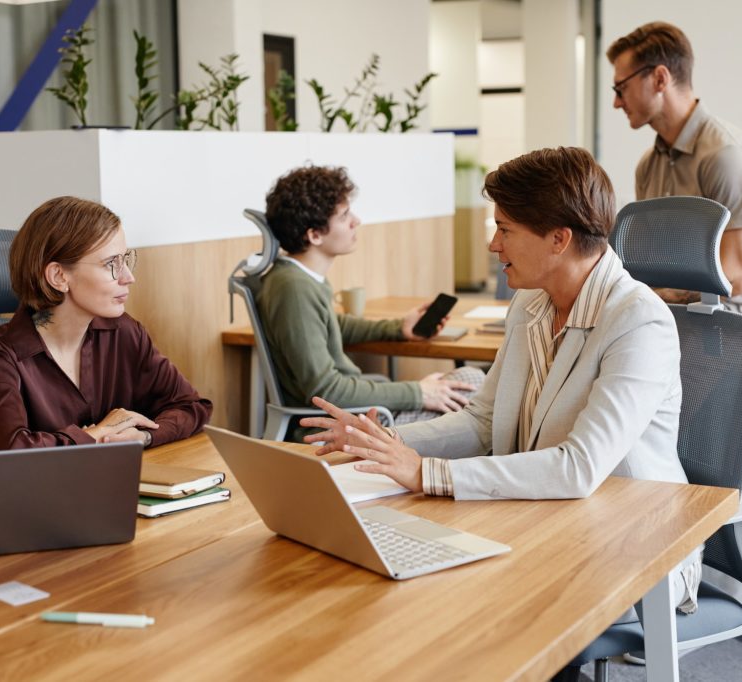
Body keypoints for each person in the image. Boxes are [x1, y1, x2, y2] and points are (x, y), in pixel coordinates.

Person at [300, 148, 701, 620]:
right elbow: (483, 422)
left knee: (460, 604)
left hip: (630, 543)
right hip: (544, 518)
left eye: (505, 229)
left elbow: (578, 467)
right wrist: (383, 444)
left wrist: (427, 473)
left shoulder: (637, 321)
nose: (494, 245)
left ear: (558, 239)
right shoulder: (532, 303)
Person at [0, 196, 212, 451]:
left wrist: (143, 436)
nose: (128, 277)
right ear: (59, 276)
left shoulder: (125, 332)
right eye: (111, 264)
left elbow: (192, 406)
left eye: (126, 260)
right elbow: (9, 451)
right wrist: (98, 433)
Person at [257, 165, 480, 434]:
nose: (356, 221)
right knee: (473, 385)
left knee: (471, 385)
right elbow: (325, 390)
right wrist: (418, 392)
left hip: (360, 416)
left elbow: (330, 326)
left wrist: (398, 328)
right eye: (344, 216)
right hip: (343, 428)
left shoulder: (298, 279)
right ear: (314, 235)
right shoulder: (294, 288)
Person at [608, 21, 742, 318]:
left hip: (721, 338)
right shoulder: (648, 166)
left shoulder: (726, 156)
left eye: (621, 88)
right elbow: (647, 264)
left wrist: (660, 294)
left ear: (660, 78)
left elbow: (740, 274)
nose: (616, 102)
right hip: (663, 326)